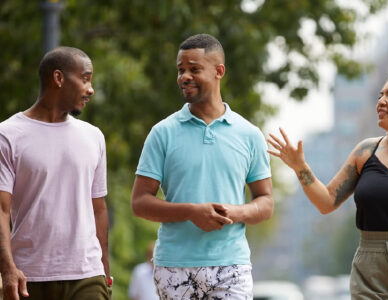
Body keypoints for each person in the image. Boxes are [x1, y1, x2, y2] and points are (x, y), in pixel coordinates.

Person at [268, 72, 388, 299]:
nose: (381, 101)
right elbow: (327, 202)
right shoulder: (365, 152)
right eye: (380, 95)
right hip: (370, 268)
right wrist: (300, 167)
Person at [131, 33, 273, 299]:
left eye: (194, 69)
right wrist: (191, 211)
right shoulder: (162, 133)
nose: (184, 76)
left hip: (231, 266)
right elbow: (139, 203)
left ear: (219, 71)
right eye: (181, 70)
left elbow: (265, 203)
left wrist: (236, 211)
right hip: (174, 266)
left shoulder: (249, 134)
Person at [0, 47, 111, 300]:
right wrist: (6, 269)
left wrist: (105, 273)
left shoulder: (93, 137)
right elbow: (1, 209)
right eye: (85, 78)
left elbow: (98, 208)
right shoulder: (7, 135)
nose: (90, 89)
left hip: (87, 276)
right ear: (59, 78)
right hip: (27, 277)